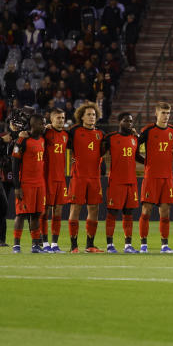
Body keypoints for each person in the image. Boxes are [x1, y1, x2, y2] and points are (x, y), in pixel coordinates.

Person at [138, 102, 173, 253]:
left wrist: (171, 157)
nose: (166, 116)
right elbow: (135, 146)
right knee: (146, 210)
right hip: (151, 176)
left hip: (167, 177)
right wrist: (145, 162)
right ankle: (143, 245)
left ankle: (164, 246)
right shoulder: (148, 130)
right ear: (156, 113)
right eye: (163, 113)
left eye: (168, 113)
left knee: (165, 211)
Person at [68, 102, 105, 253]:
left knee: (94, 209)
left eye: (94, 115)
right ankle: (73, 246)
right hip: (79, 177)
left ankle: (90, 245)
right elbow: (61, 141)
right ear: (81, 116)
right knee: (75, 208)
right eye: (89, 114)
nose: (92, 117)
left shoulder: (100, 134)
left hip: (94, 177)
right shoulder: (74, 131)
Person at [102, 113, 140, 253]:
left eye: (131, 121)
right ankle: (110, 245)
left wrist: (151, 163)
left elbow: (137, 157)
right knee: (112, 213)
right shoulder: (110, 138)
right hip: (116, 181)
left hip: (131, 181)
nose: (129, 124)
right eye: (126, 121)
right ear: (119, 122)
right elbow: (98, 153)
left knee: (128, 213)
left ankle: (128, 245)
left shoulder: (134, 139)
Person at [10, 115, 46, 253]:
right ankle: (16, 245)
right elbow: (15, 164)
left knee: (36, 214)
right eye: (42, 124)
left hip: (39, 183)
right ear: (34, 125)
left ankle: (35, 245)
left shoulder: (43, 139)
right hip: (26, 184)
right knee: (21, 214)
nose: (44, 126)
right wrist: (17, 186)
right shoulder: (22, 140)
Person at [43, 107, 70, 252]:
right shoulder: (45, 132)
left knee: (58, 211)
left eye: (63, 118)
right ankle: (44, 243)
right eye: (58, 118)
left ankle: (54, 244)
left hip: (61, 179)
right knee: (45, 211)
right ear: (51, 119)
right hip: (47, 178)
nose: (61, 121)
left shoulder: (66, 135)